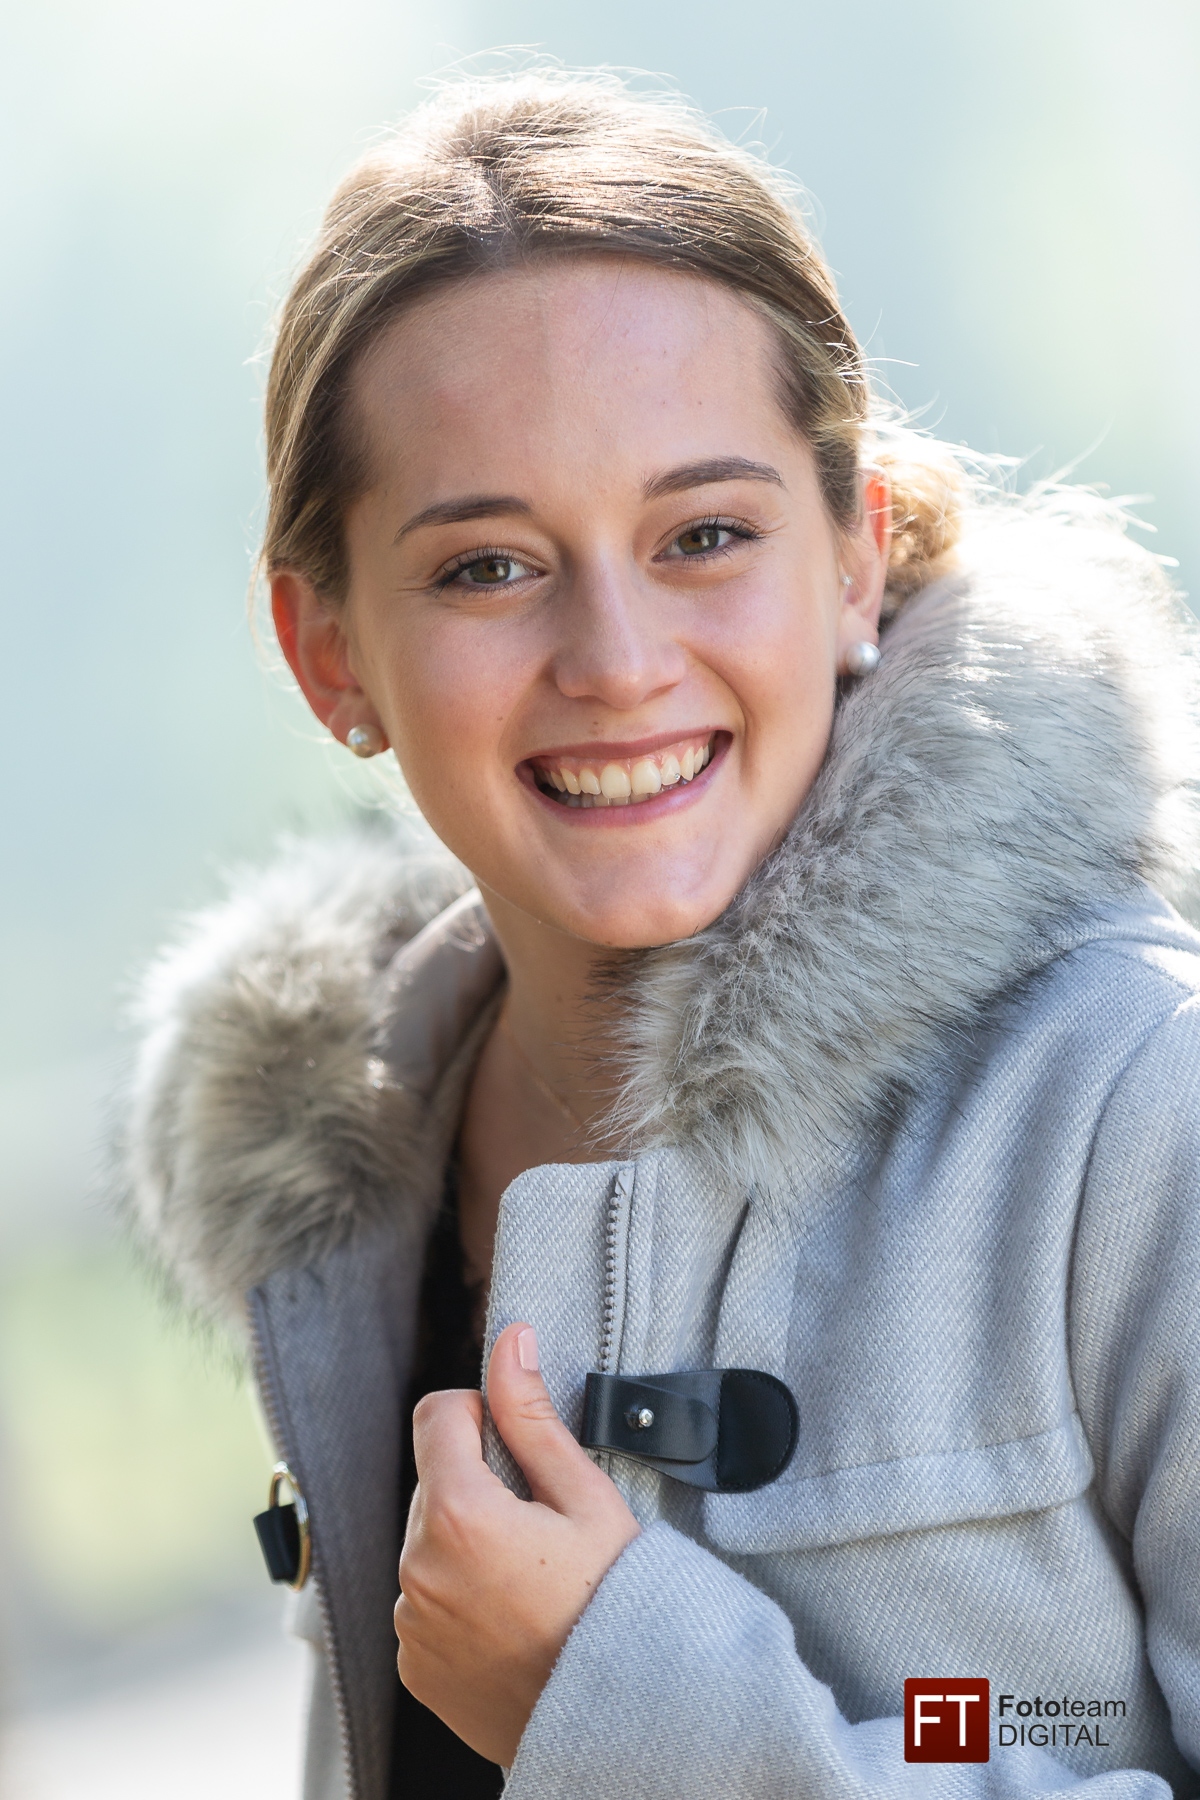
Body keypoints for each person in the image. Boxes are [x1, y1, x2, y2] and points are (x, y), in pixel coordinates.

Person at [123, 69, 1200, 1800]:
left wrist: (634, 1714)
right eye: (488, 566)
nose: (618, 662)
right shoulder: (345, 1190)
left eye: (704, 535)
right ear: (331, 655)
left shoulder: (1142, 1102)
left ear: (854, 560)